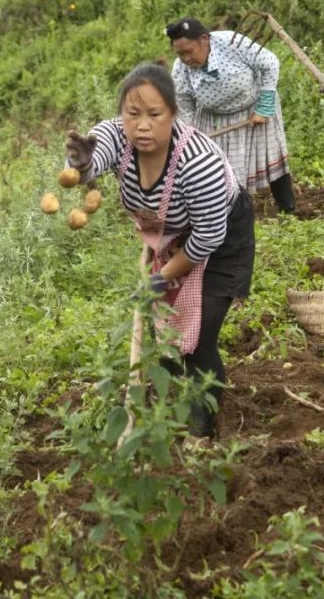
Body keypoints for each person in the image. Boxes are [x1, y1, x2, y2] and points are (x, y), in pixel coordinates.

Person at [65, 62, 255, 440]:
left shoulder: (197, 164)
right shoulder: (114, 136)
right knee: (165, 332)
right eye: (133, 114)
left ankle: (203, 425)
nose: (142, 125)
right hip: (170, 238)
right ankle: (167, 406)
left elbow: (208, 237)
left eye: (155, 114)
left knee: (198, 339)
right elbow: (91, 162)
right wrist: (81, 164)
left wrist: (161, 277)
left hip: (220, 240)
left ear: (173, 112)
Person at [165, 17, 297, 213]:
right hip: (215, 118)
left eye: (188, 52)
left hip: (254, 108)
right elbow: (184, 102)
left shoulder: (232, 43)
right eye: (180, 54)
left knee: (270, 155)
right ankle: (232, 214)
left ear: (204, 39)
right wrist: (191, 134)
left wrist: (264, 106)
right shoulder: (181, 68)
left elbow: (270, 63)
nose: (185, 59)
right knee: (220, 169)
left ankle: (288, 208)